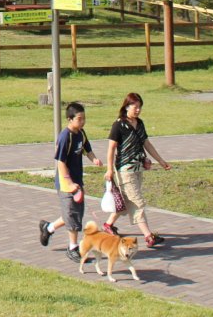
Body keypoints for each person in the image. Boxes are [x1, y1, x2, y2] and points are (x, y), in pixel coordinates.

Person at [100, 92, 171, 248]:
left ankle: (108, 225)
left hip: (138, 169)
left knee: (127, 201)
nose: (138, 110)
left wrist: (160, 161)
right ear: (126, 106)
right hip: (125, 171)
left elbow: (146, 143)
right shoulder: (118, 125)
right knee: (137, 202)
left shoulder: (139, 123)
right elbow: (111, 148)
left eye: (140, 107)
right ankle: (148, 236)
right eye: (135, 106)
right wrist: (109, 169)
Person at [39, 101, 103, 263]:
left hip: (77, 180)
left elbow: (87, 149)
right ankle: (72, 248)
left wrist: (94, 159)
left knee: (74, 213)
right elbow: (60, 162)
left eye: (84, 119)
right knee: (73, 215)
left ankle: (48, 228)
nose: (82, 122)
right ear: (70, 119)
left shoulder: (81, 133)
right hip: (66, 182)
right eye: (79, 119)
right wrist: (68, 183)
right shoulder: (64, 137)